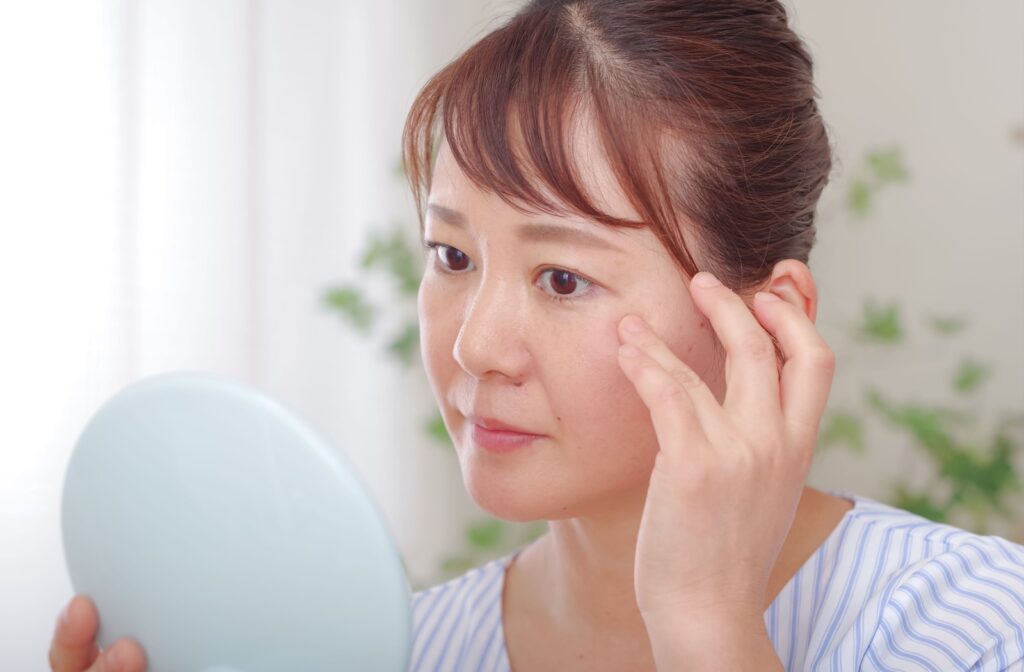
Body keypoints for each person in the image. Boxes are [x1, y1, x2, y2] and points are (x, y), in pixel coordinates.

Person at [50, 1, 1024, 670]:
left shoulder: (966, 628)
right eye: (451, 257)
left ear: (762, 325)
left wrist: (706, 629)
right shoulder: (412, 652)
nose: (475, 347)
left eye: (563, 278)